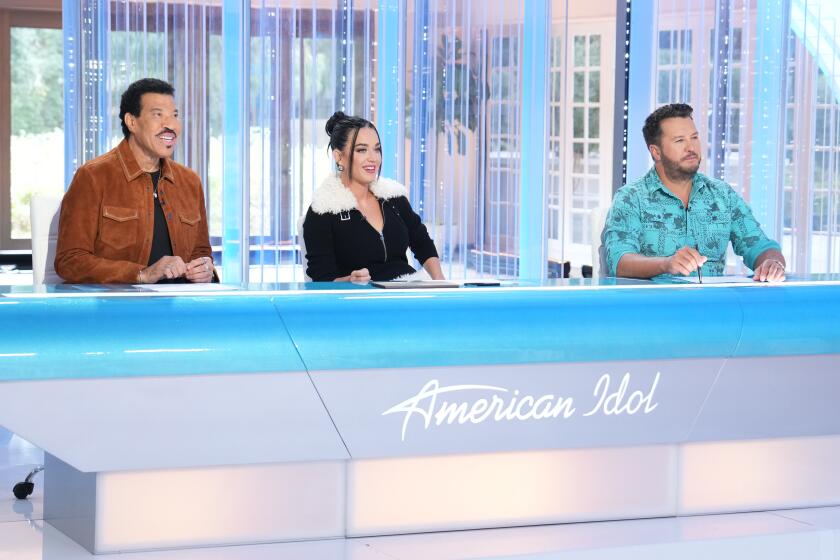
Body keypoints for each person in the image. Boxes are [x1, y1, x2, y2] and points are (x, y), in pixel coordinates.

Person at [55, 78, 215, 284]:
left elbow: (201, 252)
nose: (171, 125)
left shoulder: (190, 182)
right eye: (158, 115)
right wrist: (142, 274)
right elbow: (69, 261)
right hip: (120, 308)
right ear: (132, 122)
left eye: (175, 115)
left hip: (181, 307)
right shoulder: (93, 177)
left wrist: (204, 268)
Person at [603, 103, 785, 282]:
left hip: (713, 307)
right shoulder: (630, 198)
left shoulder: (723, 195)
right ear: (656, 152)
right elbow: (619, 261)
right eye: (680, 140)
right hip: (655, 306)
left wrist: (772, 263)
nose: (691, 148)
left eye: (694, 138)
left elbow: (759, 245)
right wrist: (667, 264)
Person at [303, 111, 445, 282]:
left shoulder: (394, 198)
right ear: (339, 157)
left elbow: (422, 242)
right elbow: (321, 280)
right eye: (361, 150)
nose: (373, 158)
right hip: (359, 302)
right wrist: (350, 280)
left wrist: (441, 283)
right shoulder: (322, 211)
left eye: (377, 149)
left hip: (405, 294)